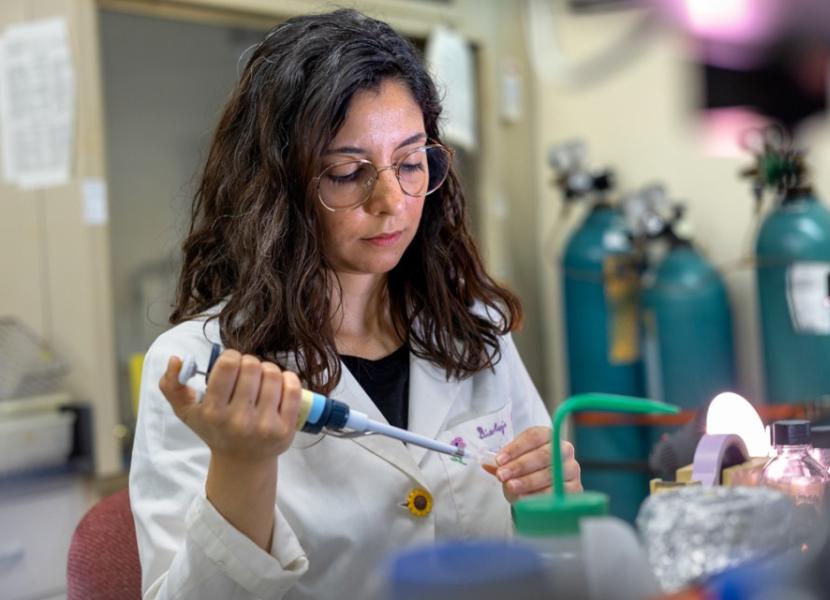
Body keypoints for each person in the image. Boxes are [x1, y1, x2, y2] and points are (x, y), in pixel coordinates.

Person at [130, 8, 582, 600]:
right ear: (277, 188)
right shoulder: (202, 365)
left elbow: (557, 567)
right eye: (348, 172)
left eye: (411, 163)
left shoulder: (473, 328)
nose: (392, 200)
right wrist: (241, 468)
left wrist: (550, 508)